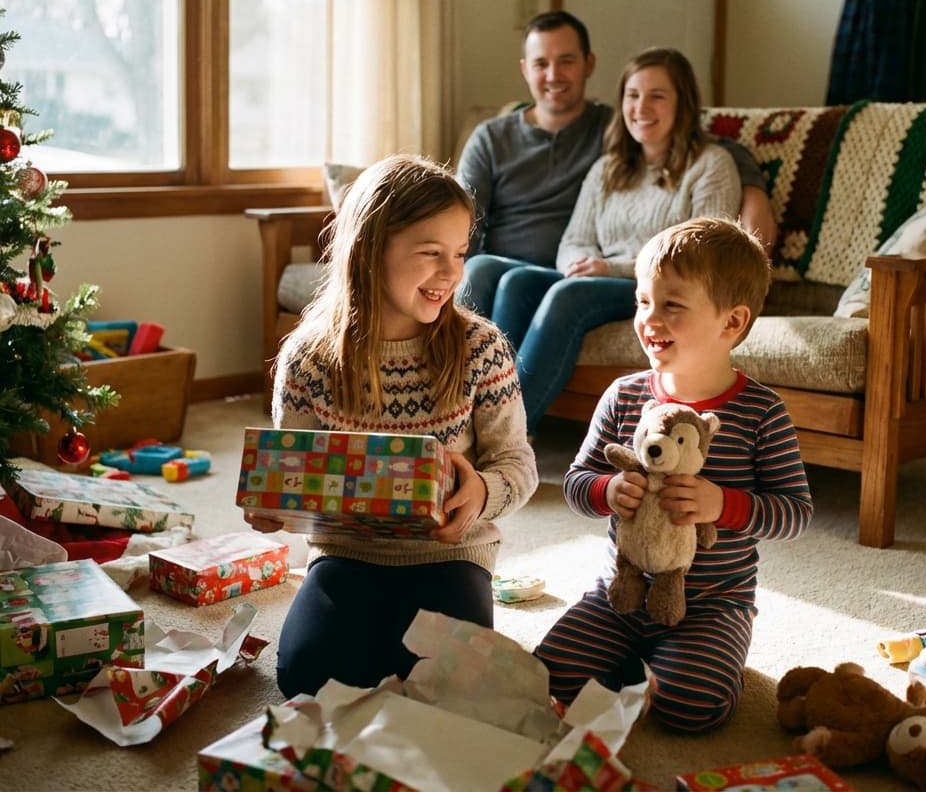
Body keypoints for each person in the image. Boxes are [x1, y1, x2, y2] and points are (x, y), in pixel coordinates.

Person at [246, 154, 539, 696]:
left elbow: (517, 463)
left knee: (452, 684)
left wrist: (480, 492)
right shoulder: (309, 358)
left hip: (450, 557)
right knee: (306, 678)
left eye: (458, 253)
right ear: (371, 249)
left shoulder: (481, 348)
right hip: (346, 555)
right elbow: (294, 475)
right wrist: (275, 508)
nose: (451, 273)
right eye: (430, 254)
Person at [534, 216, 812, 733]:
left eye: (672, 306)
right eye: (643, 301)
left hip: (713, 600)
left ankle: (676, 664)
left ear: (731, 323)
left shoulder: (761, 412)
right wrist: (608, 489)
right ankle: (634, 662)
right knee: (544, 675)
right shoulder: (624, 395)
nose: (649, 319)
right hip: (622, 589)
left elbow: (795, 514)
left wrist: (720, 505)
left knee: (692, 707)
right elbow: (575, 481)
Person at [456, 10, 777, 322]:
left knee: (517, 283)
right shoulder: (491, 138)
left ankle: (494, 377)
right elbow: (463, 219)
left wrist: (752, 187)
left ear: (589, 64)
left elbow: (704, 143)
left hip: (579, 272)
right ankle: (462, 373)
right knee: (480, 269)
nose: (553, 75)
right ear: (526, 70)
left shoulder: (614, 129)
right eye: (542, 64)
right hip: (534, 264)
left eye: (566, 61)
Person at [502, 46, 742, 434]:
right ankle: (477, 415)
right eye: (633, 95)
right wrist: (580, 264)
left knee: (568, 296)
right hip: (596, 277)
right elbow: (573, 240)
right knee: (516, 281)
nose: (641, 107)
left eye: (657, 96)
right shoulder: (607, 168)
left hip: (657, 287)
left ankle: (507, 434)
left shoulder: (711, 165)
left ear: (683, 104)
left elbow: (703, 258)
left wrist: (607, 267)